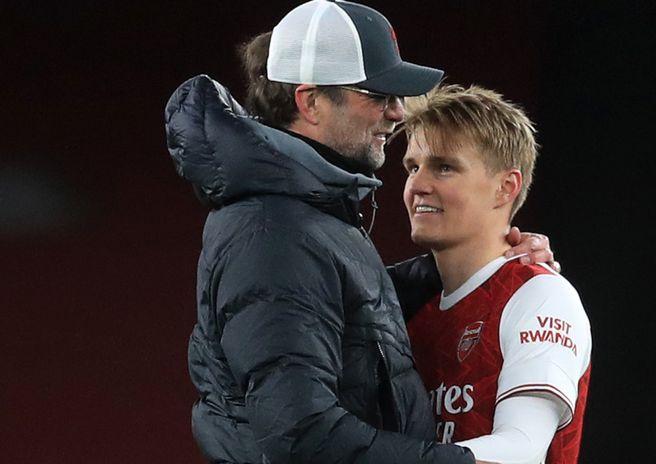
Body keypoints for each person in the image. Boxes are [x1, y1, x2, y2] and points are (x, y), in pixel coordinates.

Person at [164, 1, 555, 463]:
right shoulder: (274, 229)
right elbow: (302, 435)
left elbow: (342, 314)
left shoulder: (302, 209)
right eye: (377, 94)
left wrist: (477, 263)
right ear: (310, 101)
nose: (397, 113)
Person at [402, 84, 592, 464]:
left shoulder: (539, 295)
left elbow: (520, 449)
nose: (417, 185)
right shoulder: (408, 305)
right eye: (413, 167)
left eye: (444, 167)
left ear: (506, 188)